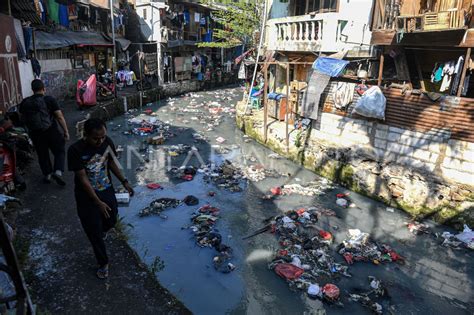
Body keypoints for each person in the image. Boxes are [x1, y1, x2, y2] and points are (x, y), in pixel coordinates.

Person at [67, 118, 134, 279]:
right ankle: (103, 263)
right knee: (93, 232)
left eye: (103, 137)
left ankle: (103, 229)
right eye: (96, 138)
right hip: (86, 197)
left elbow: (111, 163)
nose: (100, 141)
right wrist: (98, 202)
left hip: (107, 190)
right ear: (86, 135)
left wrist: (124, 182)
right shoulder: (76, 150)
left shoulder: (107, 143)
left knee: (111, 219)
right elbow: (82, 178)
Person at [19, 79, 69, 185]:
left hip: (36, 133)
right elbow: (59, 117)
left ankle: (47, 174)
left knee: (42, 154)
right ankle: (58, 172)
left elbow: (22, 119)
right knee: (59, 150)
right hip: (51, 130)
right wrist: (65, 131)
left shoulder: (25, 102)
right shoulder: (49, 99)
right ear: (43, 89)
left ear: (32, 90)